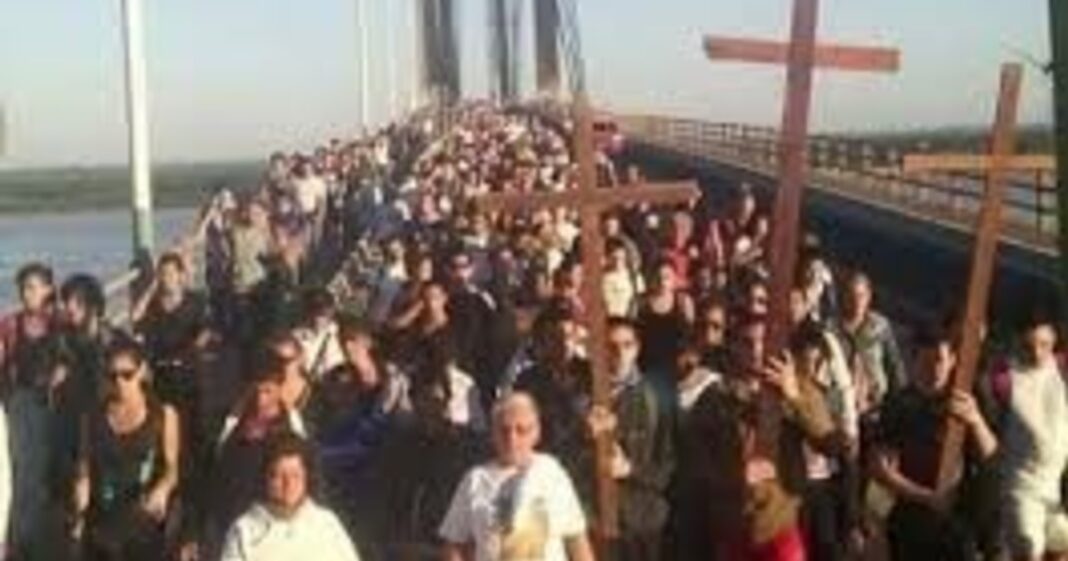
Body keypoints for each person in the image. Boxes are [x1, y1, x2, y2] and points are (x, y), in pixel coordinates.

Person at [870, 326, 998, 561]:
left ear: (952, 360)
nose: (934, 368)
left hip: (957, 524)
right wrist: (928, 497)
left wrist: (976, 421)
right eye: (926, 360)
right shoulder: (899, 404)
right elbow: (881, 469)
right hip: (911, 521)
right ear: (914, 359)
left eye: (939, 359)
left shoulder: (966, 402)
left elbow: (991, 455)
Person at [439, 392, 595, 561]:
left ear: (536, 432)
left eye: (521, 430)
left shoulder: (553, 473)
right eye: (504, 430)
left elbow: (577, 540)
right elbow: (453, 545)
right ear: (493, 433)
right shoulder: (474, 480)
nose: (512, 439)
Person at [72, 337, 180, 561]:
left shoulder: (164, 415)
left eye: (127, 374)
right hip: (101, 523)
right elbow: (84, 461)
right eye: (113, 376)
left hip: (143, 525)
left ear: (141, 371)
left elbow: (172, 468)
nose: (120, 382)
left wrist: (162, 488)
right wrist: (81, 484)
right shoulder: (92, 416)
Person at [990, 314, 1068, 561]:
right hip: (1021, 484)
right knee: (1028, 546)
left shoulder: (1061, 368)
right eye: (1029, 346)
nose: (1036, 353)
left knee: (1061, 542)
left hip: (1053, 483)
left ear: (1054, 341)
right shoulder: (1005, 378)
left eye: (1043, 345)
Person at [221, 434, 361, 561]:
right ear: (265, 479)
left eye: (295, 475)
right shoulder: (245, 529)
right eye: (279, 476)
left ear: (307, 477)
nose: (288, 484)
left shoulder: (327, 523)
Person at [836, 271, 906, 416]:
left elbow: (894, 364)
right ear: (843, 297)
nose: (856, 302)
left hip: (875, 409)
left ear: (869, 297)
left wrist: (901, 400)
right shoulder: (832, 330)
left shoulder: (880, 326)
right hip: (841, 409)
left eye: (861, 296)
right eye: (851, 296)